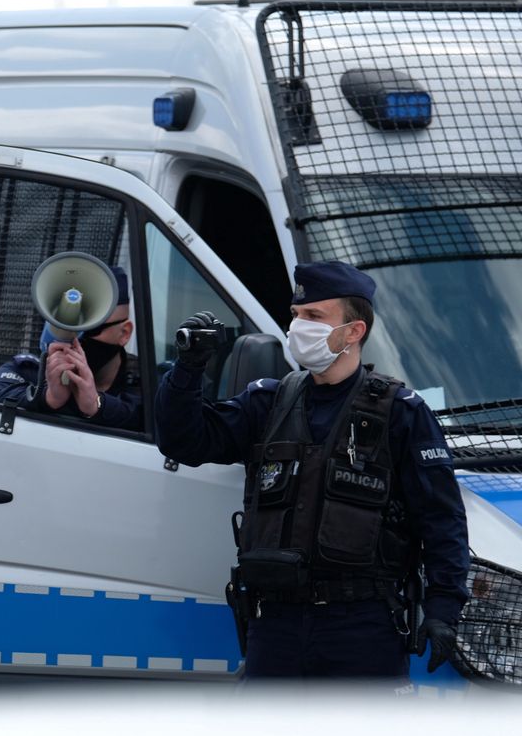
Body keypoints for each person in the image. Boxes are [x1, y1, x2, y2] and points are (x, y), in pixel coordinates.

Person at [155, 261, 468, 681]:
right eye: (297, 315)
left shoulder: (401, 413)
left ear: (353, 331)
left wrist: (444, 608)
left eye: (315, 317)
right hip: (275, 624)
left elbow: (441, 518)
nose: (299, 326)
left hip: (362, 627)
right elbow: (183, 441)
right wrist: (188, 369)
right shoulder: (268, 402)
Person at [0, 264, 141, 429]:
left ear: (124, 333)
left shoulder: (147, 380)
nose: (77, 338)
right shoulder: (27, 370)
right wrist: (47, 397)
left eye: (91, 327)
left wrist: (98, 405)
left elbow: (160, 419)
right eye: (69, 324)